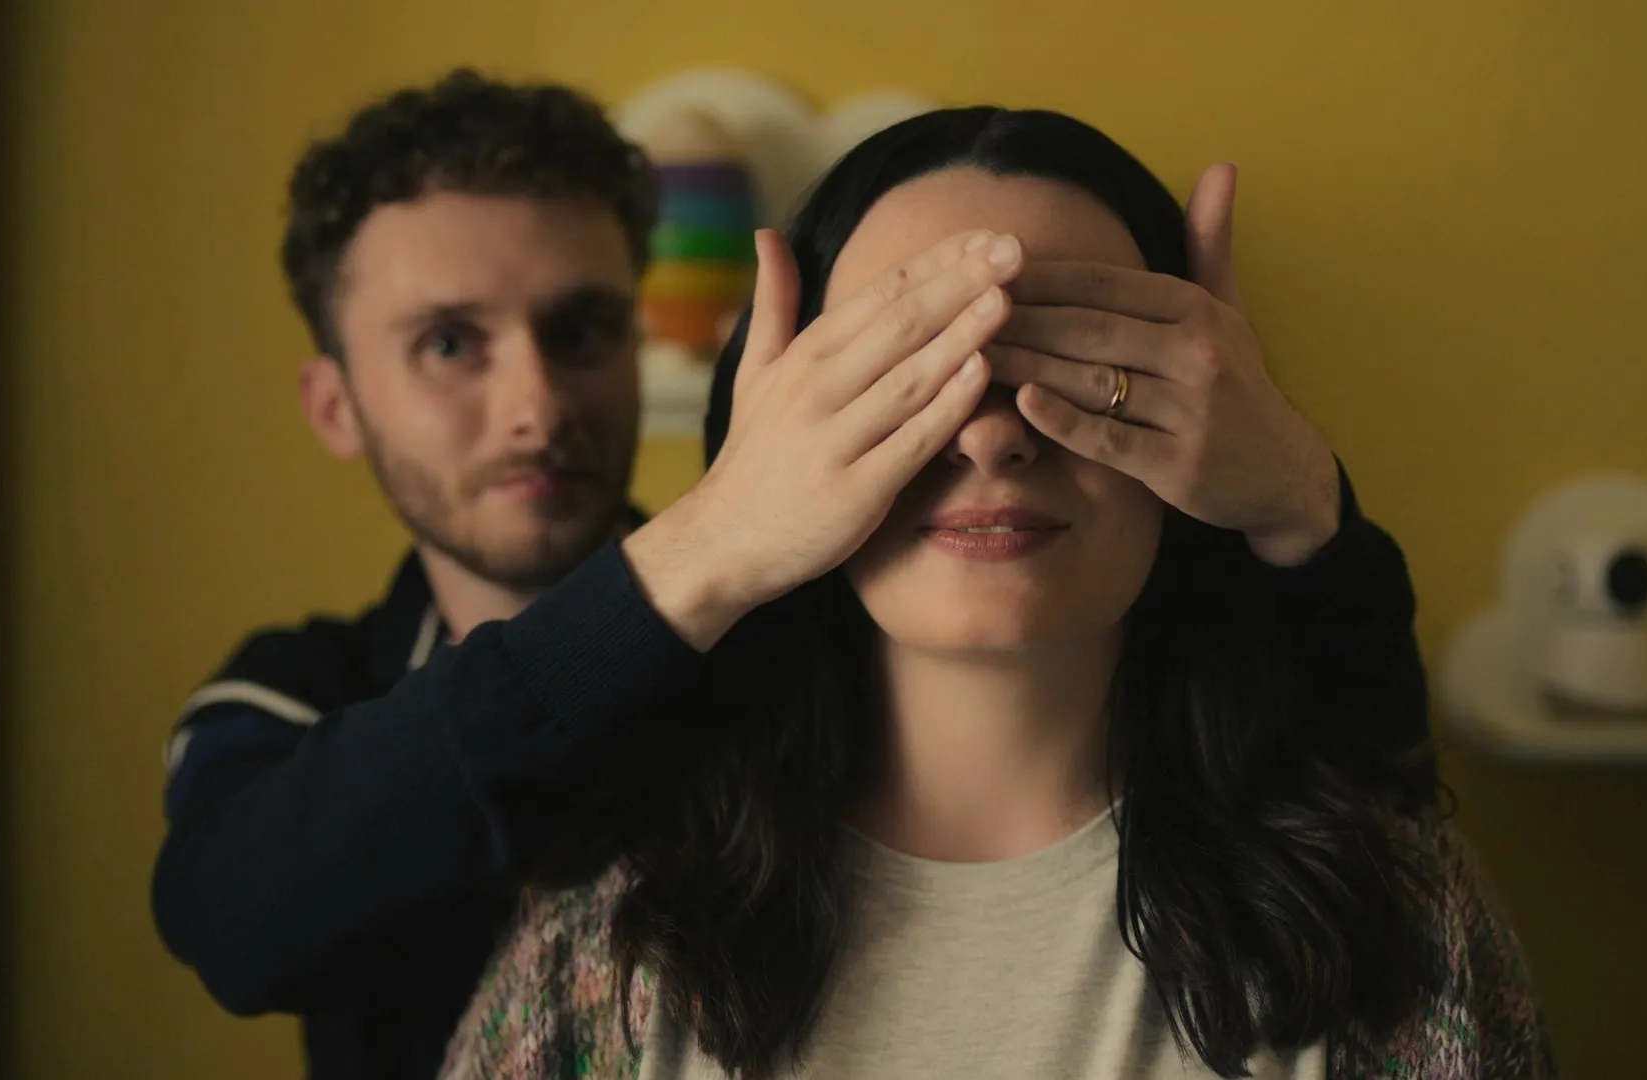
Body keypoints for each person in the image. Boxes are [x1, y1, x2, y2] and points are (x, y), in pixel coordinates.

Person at [151, 72, 1436, 1080]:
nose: (535, 402)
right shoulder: (298, 694)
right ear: (334, 403)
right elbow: (236, 916)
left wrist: (1300, 500)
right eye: (449, 345)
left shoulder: (771, 668)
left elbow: (1346, 790)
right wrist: (717, 543)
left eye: (584, 327)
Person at [441, 107, 1552, 1080]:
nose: (990, 436)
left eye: (1083, 365)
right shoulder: (616, 930)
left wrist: (1301, 494)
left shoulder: (1384, 917)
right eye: (908, 369)